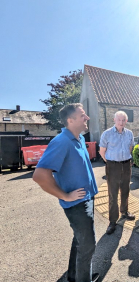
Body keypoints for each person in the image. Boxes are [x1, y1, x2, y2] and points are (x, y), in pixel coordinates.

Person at [33, 103, 99, 282]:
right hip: (77, 204)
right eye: (83, 115)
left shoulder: (79, 139)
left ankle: (74, 277)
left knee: (79, 241)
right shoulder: (61, 142)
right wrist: (65, 196)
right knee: (87, 246)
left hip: (87, 199)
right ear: (70, 120)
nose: (87, 118)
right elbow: (40, 175)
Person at [99, 111, 135, 235]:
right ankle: (113, 221)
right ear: (114, 120)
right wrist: (110, 163)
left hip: (126, 165)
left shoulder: (129, 133)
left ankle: (124, 212)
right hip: (112, 166)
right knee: (113, 194)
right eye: (119, 120)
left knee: (125, 190)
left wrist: (124, 161)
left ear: (126, 121)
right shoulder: (107, 134)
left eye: (123, 120)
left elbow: (130, 148)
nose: (121, 122)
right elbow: (102, 151)